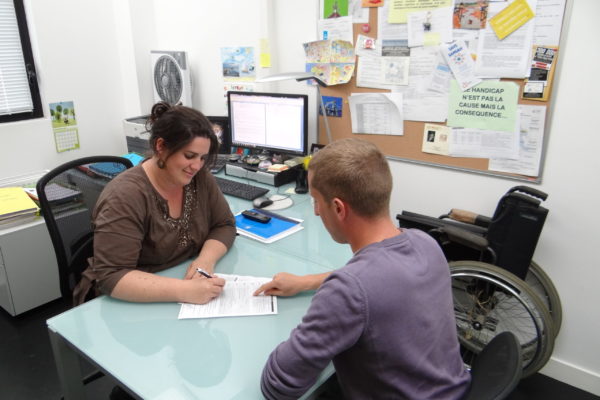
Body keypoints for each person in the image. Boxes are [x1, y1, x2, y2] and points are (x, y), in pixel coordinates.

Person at [255, 138, 470, 399]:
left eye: (315, 201)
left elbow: (277, 387)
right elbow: (371, 284)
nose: (315, 212)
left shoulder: (349, 291)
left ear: (338, 208)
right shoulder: (425, 242)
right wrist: (307, 282)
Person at [73, 102, 236, 305]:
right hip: (130, 298)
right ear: (161, 147)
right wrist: (185, 290)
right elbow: (112, 276)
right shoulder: (125, 196)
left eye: (203, 158)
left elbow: (224, 225)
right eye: (189, 156)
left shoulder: (199, 178)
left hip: (178, 280)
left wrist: (205, 261)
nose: (197, 166)